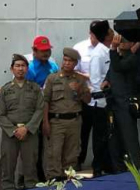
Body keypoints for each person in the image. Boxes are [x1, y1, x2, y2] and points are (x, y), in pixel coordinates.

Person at [42, 48, 91, 180]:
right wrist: (45, 122)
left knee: (72, 153)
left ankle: (69, 179)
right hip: (57, 121)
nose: (67, 63)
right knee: (54, 153)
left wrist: (80, 89)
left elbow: (88, 100)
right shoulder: (52, 78)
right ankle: (54, 179)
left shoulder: (80, 79)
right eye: (65, 60)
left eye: (70, 61)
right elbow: (45, 101)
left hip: (74, 121)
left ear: (75, 64)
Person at [0, 54, 44, 190]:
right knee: (7, 166)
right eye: (17, 66)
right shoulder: (5, 89)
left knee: (30, 167)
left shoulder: (35, 88)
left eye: (23, 66)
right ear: (12, 69)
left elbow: (39, 110)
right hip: (10, 134)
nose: (20, 69)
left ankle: (31, 186)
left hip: (29, 133)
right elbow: (0, 114)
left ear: (27, 69)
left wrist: (27, 128)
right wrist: (13, 130)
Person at [73, 20, 109, 171]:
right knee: (83, 133)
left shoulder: (106, 50)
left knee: (101, 134)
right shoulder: (79, 48)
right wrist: (88, 77)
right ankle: (78, 161)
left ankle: (98, 164)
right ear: (91, 34)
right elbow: (72, 71)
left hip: (103, 99)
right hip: (84, 97)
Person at [104, 34, 140, 172]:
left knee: (130, 137)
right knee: (114, 139)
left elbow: (118, 67)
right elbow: (112, 71)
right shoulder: (117, 58)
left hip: (125, 104)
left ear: (131, 43)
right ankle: (117, 167)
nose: (120, 43)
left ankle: (137, 167)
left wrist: (113, 49)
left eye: (124, 41)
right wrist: (106, 81)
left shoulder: (131, 59)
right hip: (113, 103)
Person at [25, 35, 58, 181]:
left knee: (51, 146)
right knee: (35, 147)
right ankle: (36, 175)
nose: (46, 54)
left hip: (53, 110)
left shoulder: (53, 66)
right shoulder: (30, 68)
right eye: (42, 51)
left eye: (48, 50)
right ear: (34, 50)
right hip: (35, 112)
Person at [88, 21, 115, 176]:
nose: (113, 33)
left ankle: (107, 164)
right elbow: (96, 80)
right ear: (106, 36)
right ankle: (97, 167)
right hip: (100, 103)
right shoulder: (98, 54)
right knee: (100, 137)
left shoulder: (108, 50)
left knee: (108, 135)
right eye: (110, 31)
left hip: (109, 100)